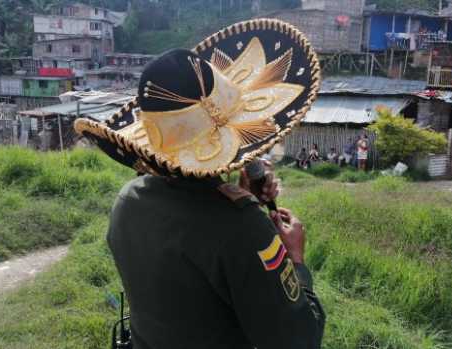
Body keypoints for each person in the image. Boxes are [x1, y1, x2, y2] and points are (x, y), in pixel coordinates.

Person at [74, 19, 325, 349]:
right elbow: (298, 339)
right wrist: (295, 259)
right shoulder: (242, 227)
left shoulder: (128, 200)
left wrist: (238, 197)